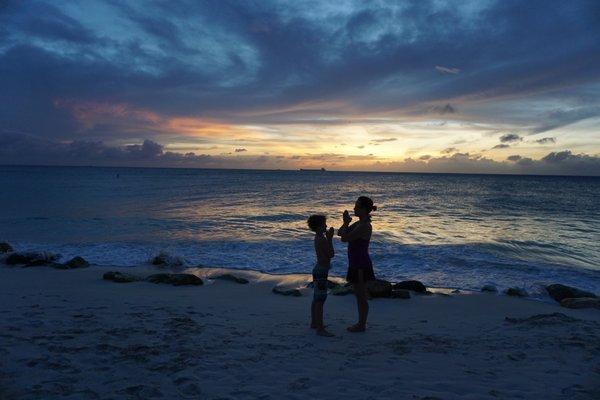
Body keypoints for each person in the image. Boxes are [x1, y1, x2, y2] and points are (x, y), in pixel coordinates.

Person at [338, 196, 377, 332]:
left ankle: (361, 324)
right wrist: (346, 223)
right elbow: (340, 233)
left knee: (361, 296)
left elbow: (344, 238)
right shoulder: (359, 223)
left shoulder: (365, 226)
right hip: (355, 263)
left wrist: (346, 224)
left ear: (365, 210)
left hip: (361, 265)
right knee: (358, 295)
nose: (354, 208)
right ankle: (361, 323)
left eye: (357, 206)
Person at [307, 214, 335, 337]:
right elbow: (331, 254)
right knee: (320, 300)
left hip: (319, 269)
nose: (326, 226)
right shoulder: (322, 239)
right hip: (321, 271)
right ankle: (320, 328)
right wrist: (330, 238)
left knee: (316, 298)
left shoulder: (318, 237)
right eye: (324, 224)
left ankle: (314, 323)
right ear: (318, 227)